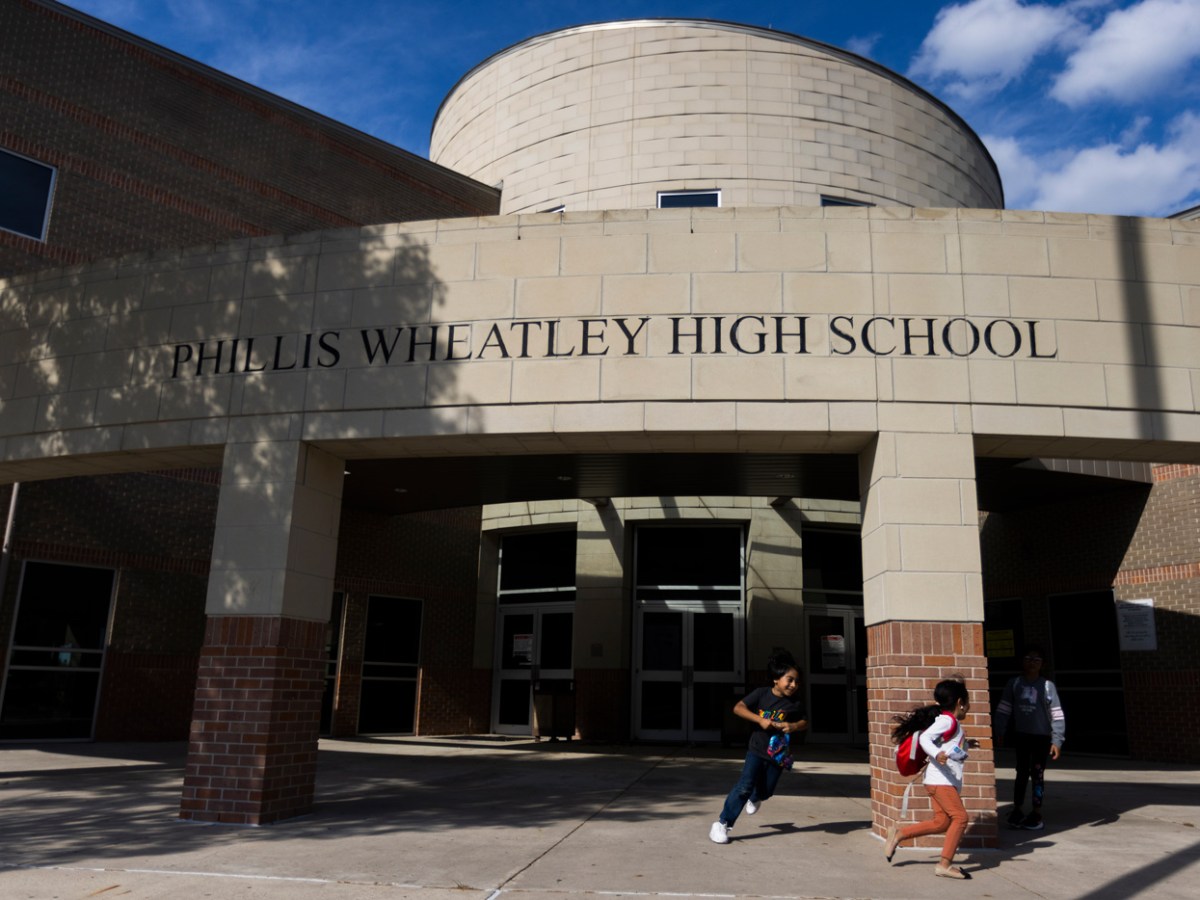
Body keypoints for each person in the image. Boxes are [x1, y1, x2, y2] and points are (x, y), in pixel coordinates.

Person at [708, 648, 807, 844]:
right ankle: (721, 824)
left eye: (796, 681)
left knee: (767, 791)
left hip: (778, 754)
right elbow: (738, 708)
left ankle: (757, 796)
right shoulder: (761, 694)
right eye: (789, 679)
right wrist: (759, 720)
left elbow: (805, 722)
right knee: (744, 786)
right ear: (776, 679)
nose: (794, 684)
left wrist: (793, 726)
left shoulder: (795, 703)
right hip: (757, 748)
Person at [883, 679, 979, 880]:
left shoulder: (950, 722)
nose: (968, 706)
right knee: (960, 818)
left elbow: (946, 744)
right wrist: (936, 754)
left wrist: (966, 743)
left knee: (942, 822)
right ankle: (944, 864)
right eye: (968, 702)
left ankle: (899, 834)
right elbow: (926, 738)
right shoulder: (948, 721)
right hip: (940, 781)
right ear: (960, 701)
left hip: (940, 780)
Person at [993, 645, 1065, 831]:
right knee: (1021, 772)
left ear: (1042, 664)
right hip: (1022, 736)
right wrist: (999, 731)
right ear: (1022, 661)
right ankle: (1017, 809)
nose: (1032, 662)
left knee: (1038, 774)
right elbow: (1004, 709)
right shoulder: (1015, 683)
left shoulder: (1048, 687)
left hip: (1041, 738)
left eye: (1036, 659)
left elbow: (1057, 714)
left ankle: (1037, 812)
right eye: (1028, 658)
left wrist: (1057, 740)